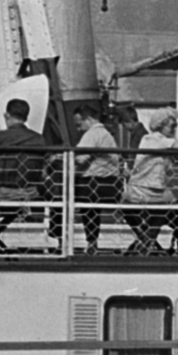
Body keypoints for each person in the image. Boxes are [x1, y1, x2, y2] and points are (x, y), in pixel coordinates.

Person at [0, 98, 46, 252]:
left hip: (1, 192)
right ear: (26, 117)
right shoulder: (39, 139)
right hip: (29, 193)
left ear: (7, 115)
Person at [121, 109, 178, 255]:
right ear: (161, 125)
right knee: (164, 210)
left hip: (148, 191)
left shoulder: (150, 140)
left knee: (165, 209)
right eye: (172, 126)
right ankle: (147, 242)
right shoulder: (152, 139)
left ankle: (145, 242)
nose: (175, 129)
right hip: (145, 192)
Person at [71, 104, 122, 254]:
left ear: (89, 119)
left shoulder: (92, 134)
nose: (78, 129)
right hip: (111, 184)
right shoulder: (106, 134)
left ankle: (62, 239)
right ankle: (91, 242)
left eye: (79, 124)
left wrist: (64, 157)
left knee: (59, 195)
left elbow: (80, 159)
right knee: (90, 206)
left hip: (95, 184)